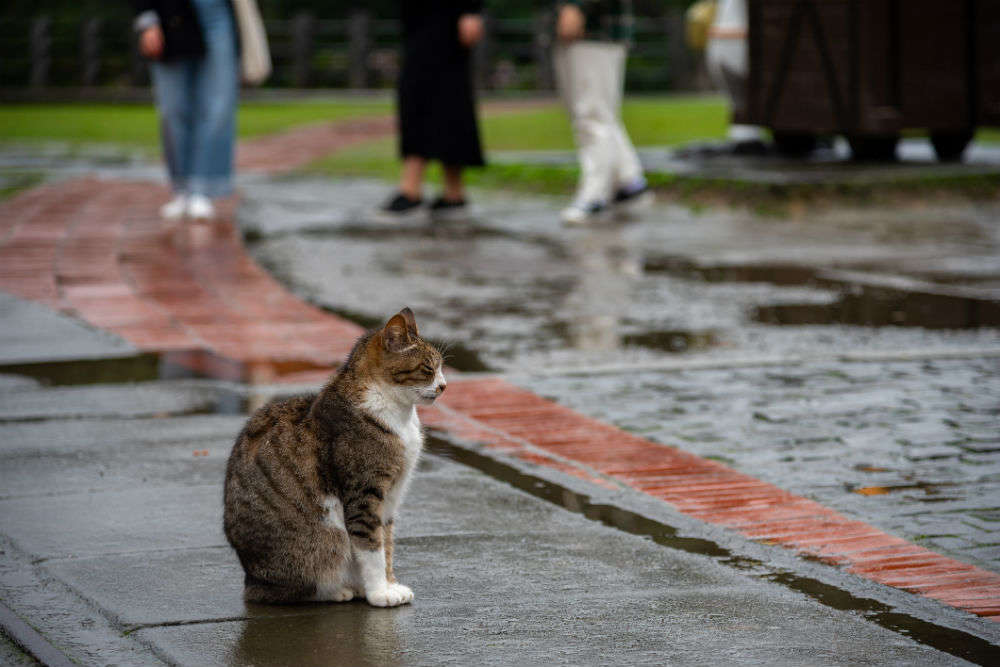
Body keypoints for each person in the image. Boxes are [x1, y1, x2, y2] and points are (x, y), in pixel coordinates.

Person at [376, 1, 486, 222]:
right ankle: (453, 193)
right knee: (444, 95)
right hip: (422, 18)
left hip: (447, 19)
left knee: (430, 94)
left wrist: (471, 9)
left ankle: (412, 189)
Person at [132, 0, 239, 221]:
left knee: (217, 106)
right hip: (170, 16)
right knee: (173, 109)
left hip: (217, 13)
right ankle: (181, 188)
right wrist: (147, 21)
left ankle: (202, 188)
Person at [554, 1, 652, 225]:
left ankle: (595, 196)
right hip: (572, 26)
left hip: (595, 28)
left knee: (592, 115)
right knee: (594, 112)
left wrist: (576, 6)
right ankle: (628, 181)